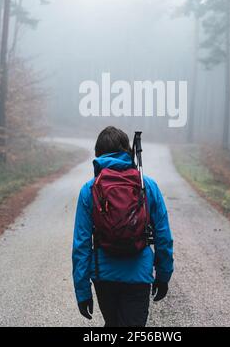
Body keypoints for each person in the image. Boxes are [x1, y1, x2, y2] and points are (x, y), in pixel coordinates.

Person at [72, 126, 174, 327]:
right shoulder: (147, 186)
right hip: (139, 276)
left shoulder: (89, 190)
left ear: (98, 154)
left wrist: (82, 292)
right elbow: (163, 236)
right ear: (128, 151)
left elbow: (81, 245)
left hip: (104, 276)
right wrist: (163, 276)